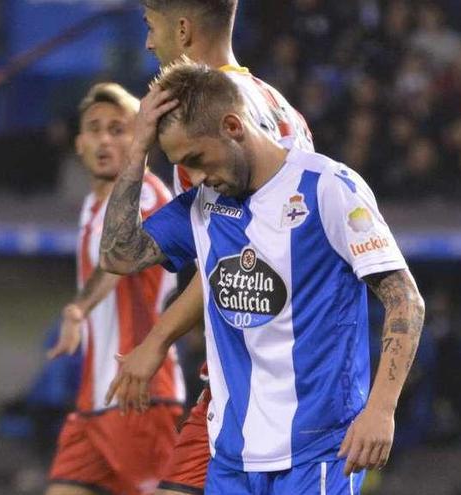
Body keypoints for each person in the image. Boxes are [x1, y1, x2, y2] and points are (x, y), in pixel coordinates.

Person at [100, 59, 425, 493]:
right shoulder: (205, 203)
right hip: (233, 454)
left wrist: (382, 409)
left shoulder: (328, 187)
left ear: (233, 126)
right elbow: (118, 254)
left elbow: (405, 298)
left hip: (318, 449)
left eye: (198, 158)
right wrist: (137, 150)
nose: (197, 176)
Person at [106, 2, 314, 494]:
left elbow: (239, 251)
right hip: (284, 373)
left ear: (182, 28)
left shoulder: (201, 125)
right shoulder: (280, 104)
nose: (149, 44)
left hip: (255, 388)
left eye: (151, 28)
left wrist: (156, 341)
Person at [44, 83, 185, 495]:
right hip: (92, 401)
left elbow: (118, 263)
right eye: (95, 129)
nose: (105, 139)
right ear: (79, 143)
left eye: (118, 128)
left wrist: (77, 309)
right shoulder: (91, 206)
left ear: (139, 138)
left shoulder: (146, 195)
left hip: (140, 396)